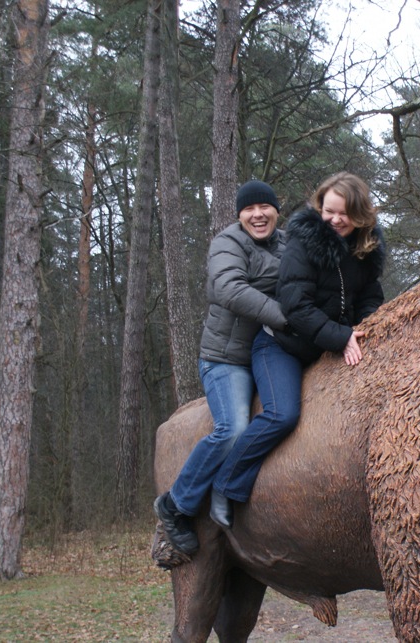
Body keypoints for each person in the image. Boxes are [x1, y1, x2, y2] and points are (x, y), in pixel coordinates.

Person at [207, 171, 386, 528]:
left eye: (343, 213)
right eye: (328, 210)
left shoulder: (365, 250)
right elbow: (295, 305)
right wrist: (341, 337)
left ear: (361, 215)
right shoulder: (303, 244)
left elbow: (369, 296)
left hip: (329, 344)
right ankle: (225, 484)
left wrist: (367, 326)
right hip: (281, 347)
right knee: (282, 414)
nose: (334, 219)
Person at [154, 179, 286, 556]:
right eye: (249, 209)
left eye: (265, 207)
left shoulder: (288, 242)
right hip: (226, 360)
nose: (258, 214)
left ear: (277, 210)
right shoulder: (226, 244)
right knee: (232, 429)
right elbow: (229, 288)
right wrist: (286, 317)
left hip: (270, 352)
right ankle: (175, 504)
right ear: (239, 214)